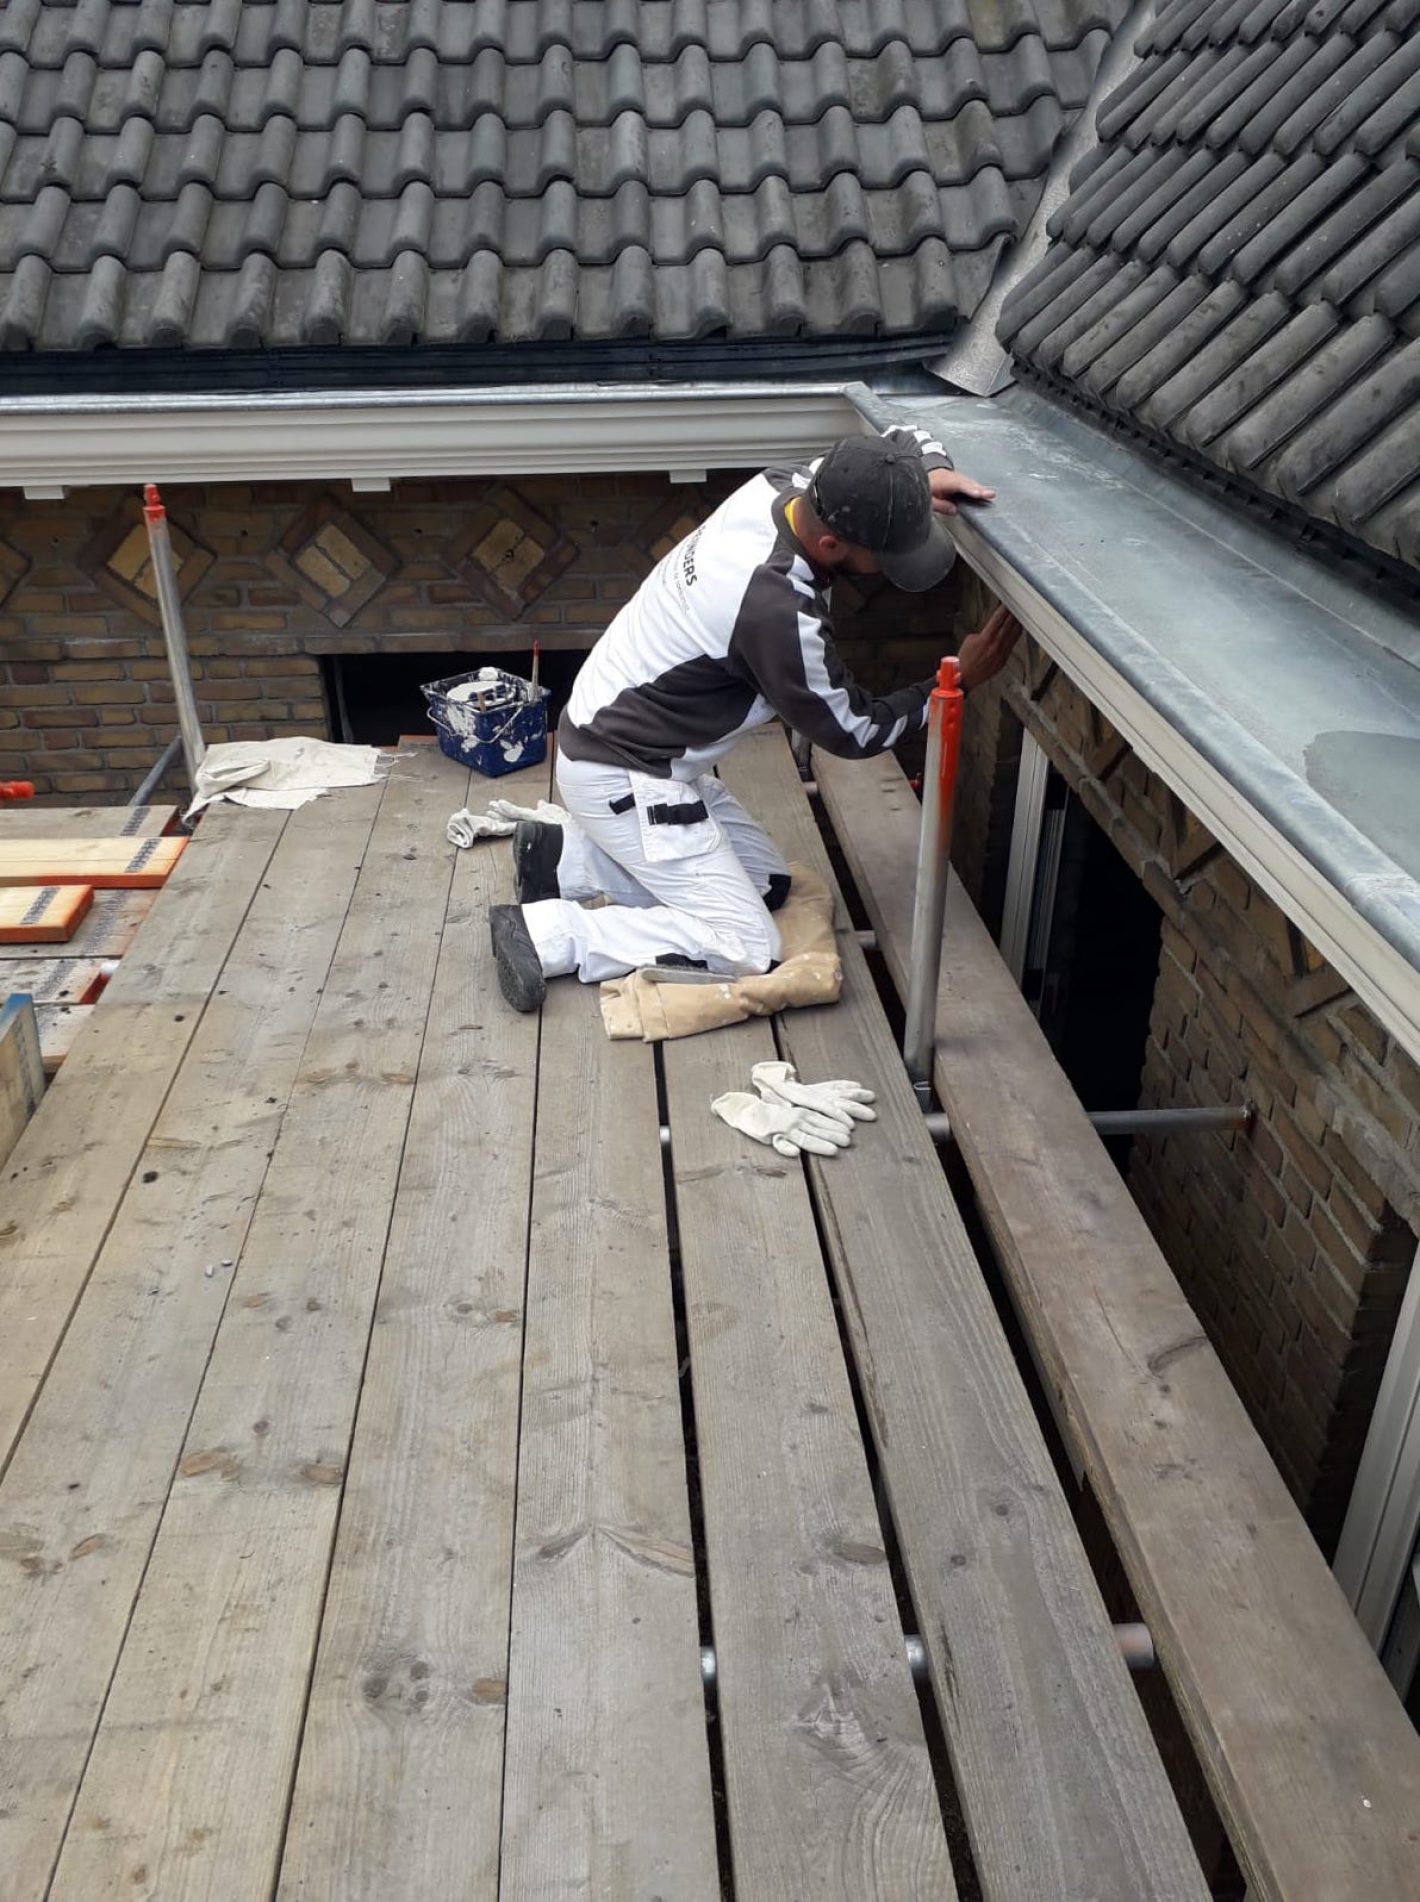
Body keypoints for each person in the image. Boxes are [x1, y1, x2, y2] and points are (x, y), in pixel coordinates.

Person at [488, 427, 1022, 1011]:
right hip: (627, 774)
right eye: (884, 556)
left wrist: (922, 474)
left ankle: (560, 860)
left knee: (769, 885)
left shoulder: (787, 485)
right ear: (830, 545)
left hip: (618, 736)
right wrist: (957, 684)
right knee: (746, 945)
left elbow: (898, 439)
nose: (890, 565)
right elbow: (855, 729)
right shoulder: (774, 608)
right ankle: (548, 935)